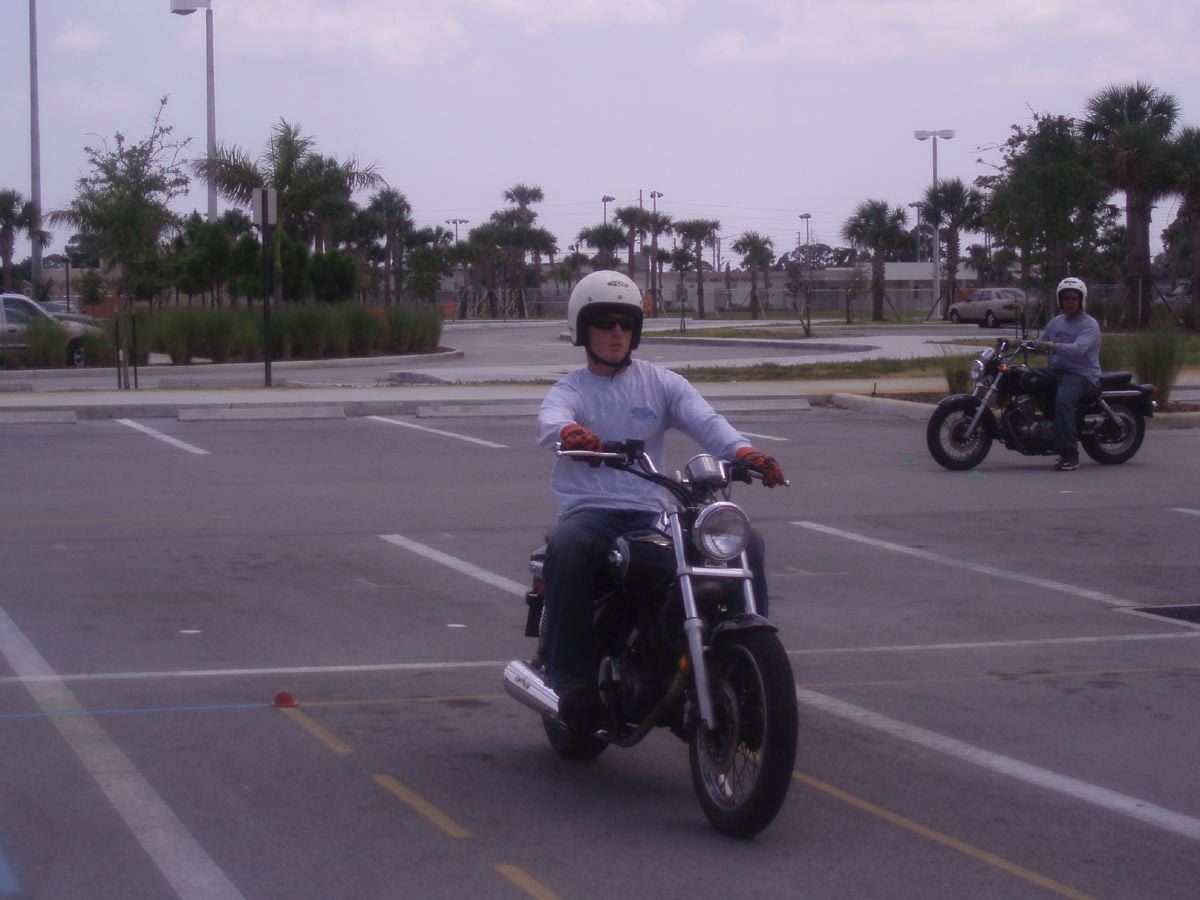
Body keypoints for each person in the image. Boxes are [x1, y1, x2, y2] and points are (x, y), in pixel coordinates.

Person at [535, 270, 786, 715]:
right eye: (604, 322)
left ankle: (746, 661)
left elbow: (705, 420)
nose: (616, 332)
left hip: (652, 513)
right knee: (567, 547)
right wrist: (569, 432)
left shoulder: (661, 383)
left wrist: (745, 452)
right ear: (582, 329)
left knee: (746, 543)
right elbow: (552, 418)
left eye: (626, 323)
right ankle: (571, 679)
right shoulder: (571, 388)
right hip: (592, 513)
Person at [1034, 276, 1102, 471]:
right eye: (1066, 298)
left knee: (1063, 400)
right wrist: (1022, 345)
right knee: (1026, 378)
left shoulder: (1089, 324)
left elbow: (1079, 349)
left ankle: (1070, 453)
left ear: (1081, 300)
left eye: (1074, 298)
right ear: (1060, 300)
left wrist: (1053, 346)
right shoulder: (1056, 322)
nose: (1070, 301)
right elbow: (1042, 343)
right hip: (1058, 371)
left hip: (1081, 374)